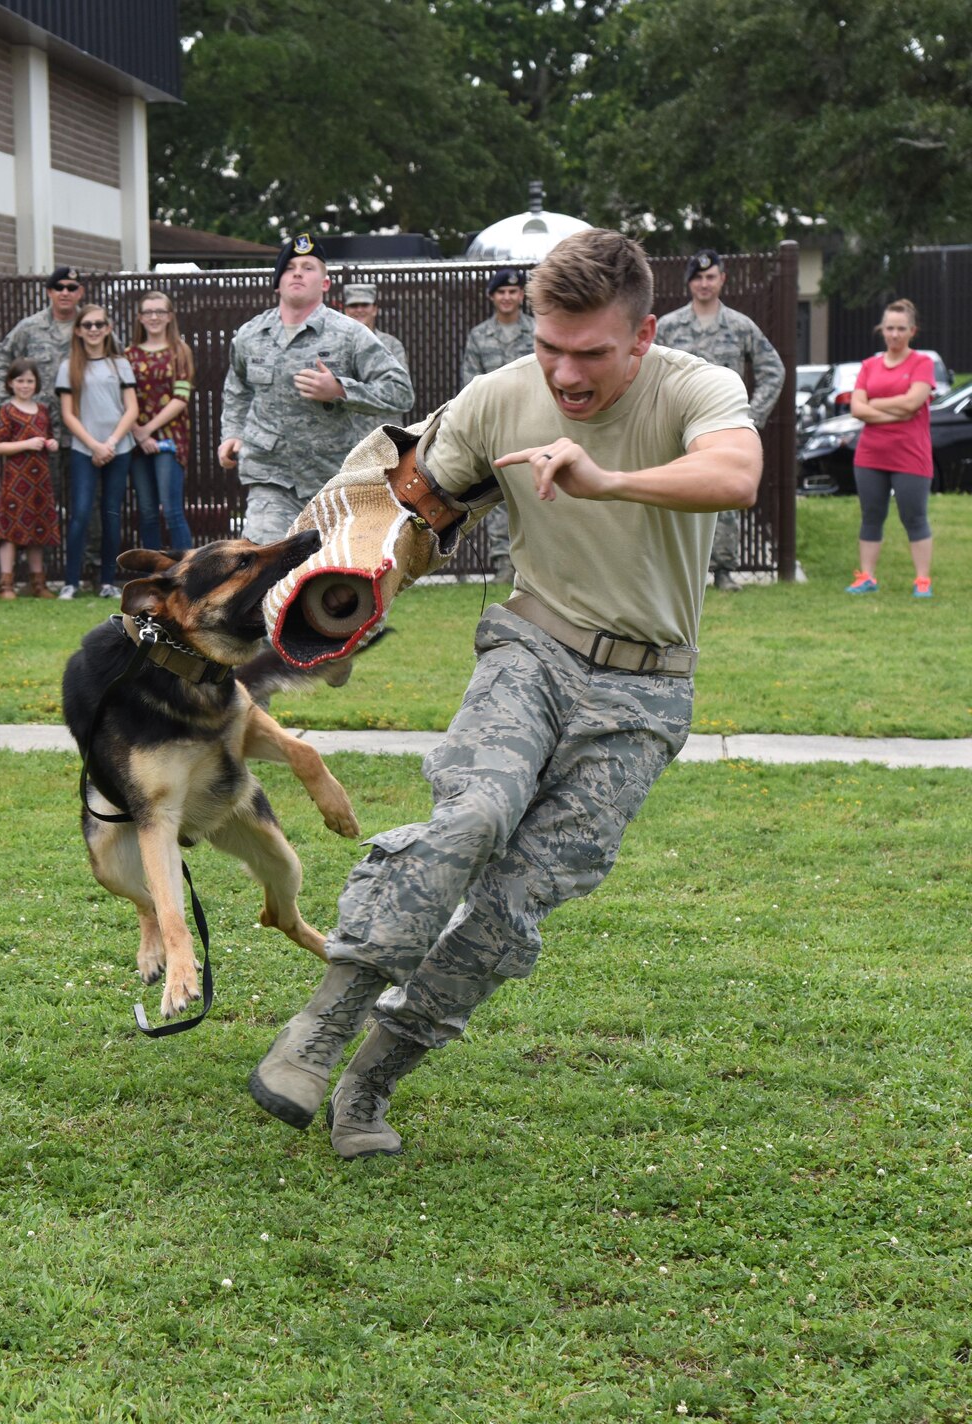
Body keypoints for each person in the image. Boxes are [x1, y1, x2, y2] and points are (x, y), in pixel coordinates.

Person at [247, 229, 762, 1159]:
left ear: (641, 337)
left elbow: (737, 473)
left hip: (646, 698)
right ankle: (323, 1025)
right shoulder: (496, 399)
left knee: (513, 905)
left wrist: (606, 480)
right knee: (475, 816)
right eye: (548, 346)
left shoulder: (695, 386)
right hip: (533, 648)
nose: (565, 373)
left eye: (591, 353)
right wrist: (329, 599)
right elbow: (402, 508)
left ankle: (374, 1077)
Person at [219, 234, 416, 542]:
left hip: (331, 477)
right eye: (290, 267)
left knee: (328, 578)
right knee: (265, 567)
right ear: (277, 282)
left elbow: (400, 390)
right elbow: (237, 389)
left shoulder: (350, 334)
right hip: (269, 476)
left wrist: (340, 390)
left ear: (325, 284)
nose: (298, 272)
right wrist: (232, 434)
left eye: (308, 267)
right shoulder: (250, 335)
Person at [654, 250, 787, 591]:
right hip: (678, 424)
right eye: (698, 278)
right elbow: (648, 373)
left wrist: (752, 417)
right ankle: (678, 572)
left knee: (722, 496)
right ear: (689, 283)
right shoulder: (668, 327)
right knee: (676, 491)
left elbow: (773, 370)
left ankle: (723, 570)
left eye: (710, 276)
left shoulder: (741, 326)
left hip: (722, 425)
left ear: (722, 279)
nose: (704, 283)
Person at [845, 299, 936, 599]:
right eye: (889, 328)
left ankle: (922, 580)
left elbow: (914, 403)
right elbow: (857, 408)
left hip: (911, 453)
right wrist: (895, 410)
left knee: (914, 516)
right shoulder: (869, 366)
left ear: (913, 331)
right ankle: (866, 577)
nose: (894, 334)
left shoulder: (922, 363)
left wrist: (875, 404)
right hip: (871, 454)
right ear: (881, 330)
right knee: (871, 515)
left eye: (901, 329)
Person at [460, 266, 537, 584]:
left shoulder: (537, 331)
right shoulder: (479, 336)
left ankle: (534, 566)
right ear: (492, 296)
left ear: (522, 296)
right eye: (501, 292)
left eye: (513, 291)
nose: (507, 297)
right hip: (495, 427)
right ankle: (504, 563)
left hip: (534, 423)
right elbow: (470, 382)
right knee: (499, 492)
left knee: (535, 494)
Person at [56, 304, 138, 598]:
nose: (93, 330)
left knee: (111, 514)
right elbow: (68, 414)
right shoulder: (69, 367)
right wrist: (93, 445)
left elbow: (132, 409)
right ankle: (71, 582)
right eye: (87, 325)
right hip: (84, 449)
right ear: (78, 330)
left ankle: (106, 582)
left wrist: (111, 443)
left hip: (119, 448)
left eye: (99, 324)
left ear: (108, 327)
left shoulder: (120, 364)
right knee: (79, 513)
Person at [125, 290, 197, 551]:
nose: (154, 317)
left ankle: (187, 574)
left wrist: (147, 431)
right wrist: (137, 433)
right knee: (147, 512)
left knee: (172, 510)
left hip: (171, 439)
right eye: (148, 312)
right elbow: (122, 400)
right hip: (136, 441)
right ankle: (152, 576)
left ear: (169, 317)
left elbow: (180, 398)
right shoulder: (128, 355)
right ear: (140, 318)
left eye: (160, 311)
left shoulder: (180, 351)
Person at [0, 268, 86, 439]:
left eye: (71, 288)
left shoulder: (92, 326)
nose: (65, 293)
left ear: (80, 292)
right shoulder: (29, 328)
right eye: (59, 288)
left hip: (83, 430)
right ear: (49, 292)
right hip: (37, 431)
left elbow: (115, 365)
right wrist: (12, 408)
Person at [0, 358, 59, 599]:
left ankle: (38, 583)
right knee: (10, 531)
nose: (25, 385)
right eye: (20, 380)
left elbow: (49, 437)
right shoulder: (7, 410)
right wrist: (27, 444)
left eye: (30, 381)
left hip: (39, 479)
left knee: (37, 530)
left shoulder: (42, 410)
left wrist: (51, 443)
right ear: (11, 383)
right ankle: (6, 584)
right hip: (15, 479)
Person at [339, 282, 413, 417]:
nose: (359, 310)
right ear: (346, 310)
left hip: (384, 431)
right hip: (348, 433)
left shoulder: (391, 345)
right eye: (354, 305)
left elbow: (401, 392)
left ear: (374, 309)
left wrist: (344, 390)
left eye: (364, 305)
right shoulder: (336, 345)